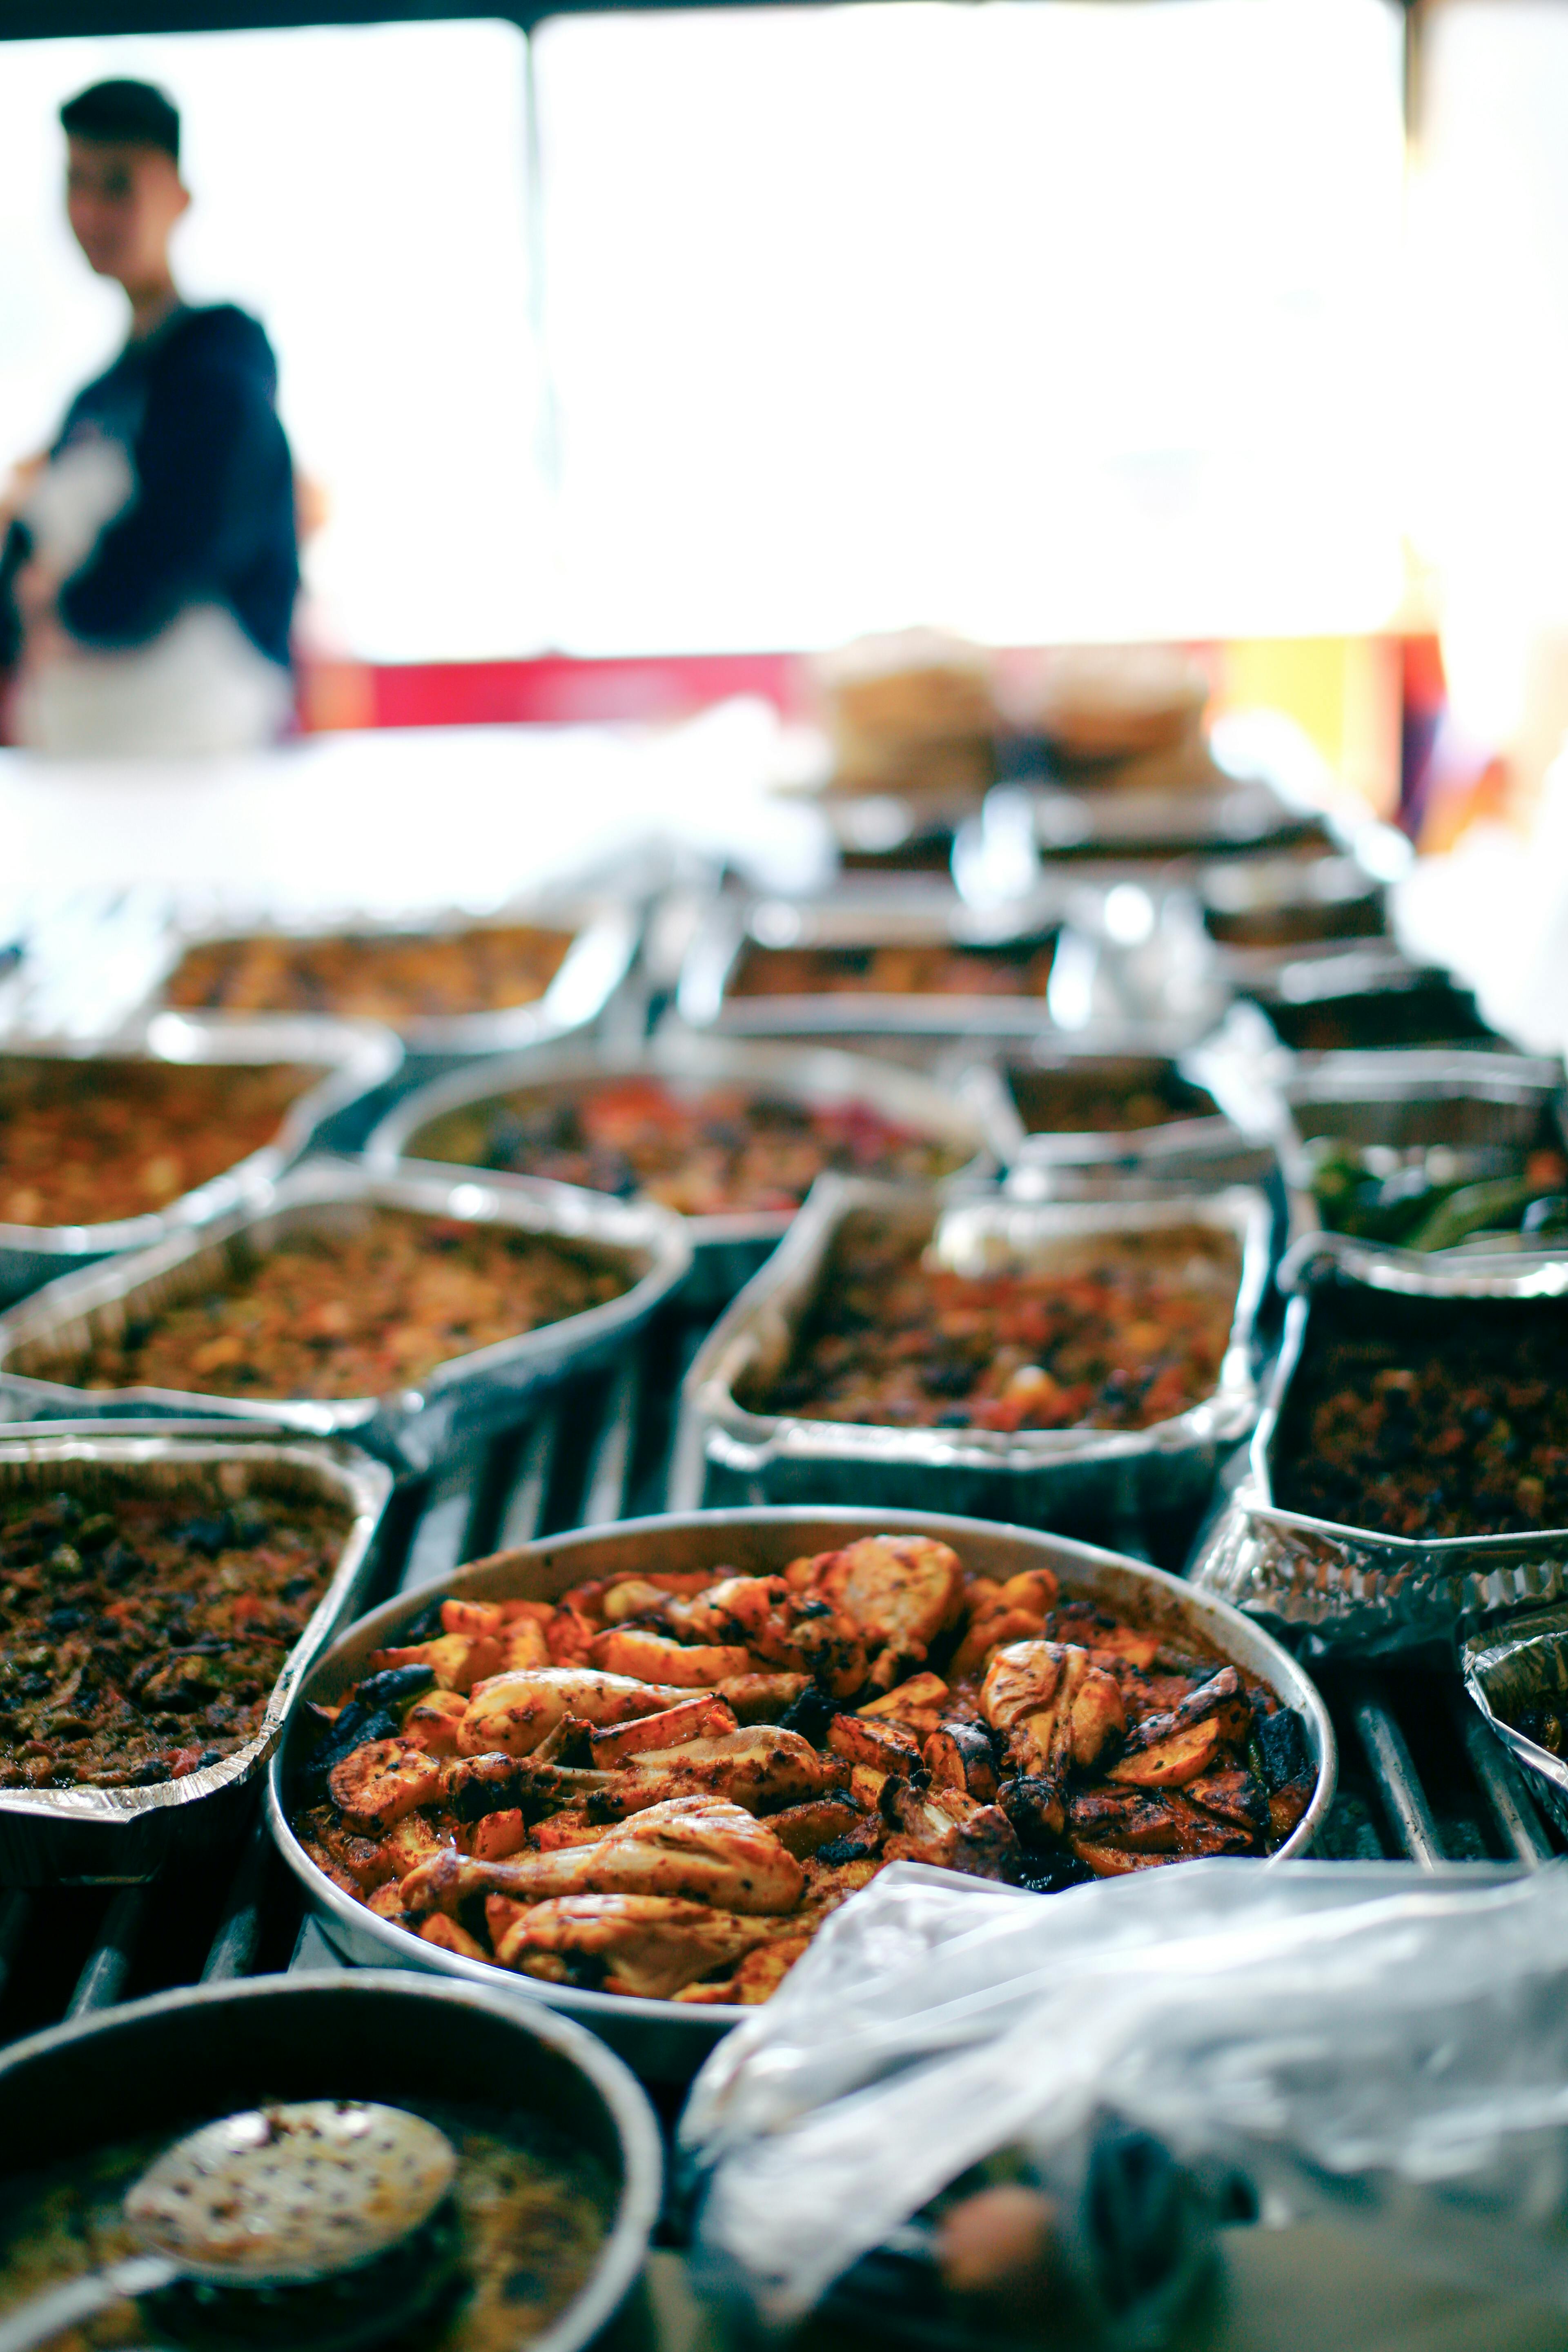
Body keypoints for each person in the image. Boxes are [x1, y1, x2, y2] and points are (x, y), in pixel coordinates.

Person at [0, 78, 299, 756]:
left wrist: (66, 610)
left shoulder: (221, 369)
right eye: (76, 182)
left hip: (194, 755)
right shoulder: (96, 400)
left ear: (179, 197)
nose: (93, 210)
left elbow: (190, 534)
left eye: (118, 183)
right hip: (90, 755)